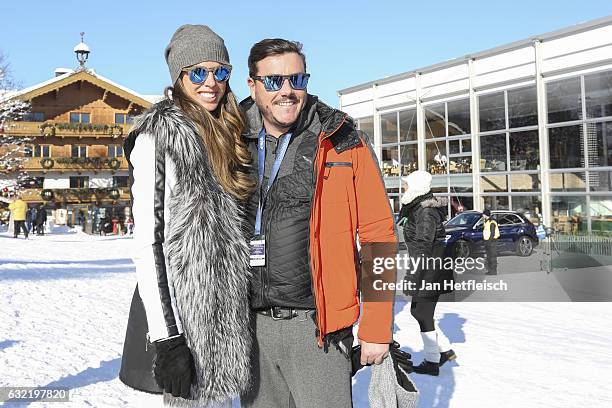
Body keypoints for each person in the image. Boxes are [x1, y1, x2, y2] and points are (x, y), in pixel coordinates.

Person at [240, 39, 397, 407]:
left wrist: (376, 327)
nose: (288, 91)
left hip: (317, 330)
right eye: (275, 81)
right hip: (249, 328)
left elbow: (379, 235)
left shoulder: (342, 138)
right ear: (252, 85)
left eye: (297, 79)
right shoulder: (230, 137)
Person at [119, 25, 255, 407]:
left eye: (220, 72)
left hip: (227, 322)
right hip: (188, 323)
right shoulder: (158, 139)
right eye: (198, 72)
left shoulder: (227, 131)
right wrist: (169, 339)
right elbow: (149, 244)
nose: (211, 82)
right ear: (178, 77)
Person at [398, 170, 456, 376]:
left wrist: (412, 276)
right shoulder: (417, 208)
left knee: (421, 312)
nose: (403, 188)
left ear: (416, 187)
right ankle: (445, 351)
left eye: (406, 184)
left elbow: (423, 246)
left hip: (431, 270)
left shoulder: (425, 211)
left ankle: (433, 361)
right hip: (430, 268)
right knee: (421, 312)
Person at [482, 209, 500, 275]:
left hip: (492, 242)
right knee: (489, 257)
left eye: (483, 214)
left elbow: (492, 233)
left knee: (492, 257)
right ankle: (490, 270)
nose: (482, 215)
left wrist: (489, 242)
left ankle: (493, 271)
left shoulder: (492, 222)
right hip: (487, 241)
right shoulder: (486, 222)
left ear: (486, 215)